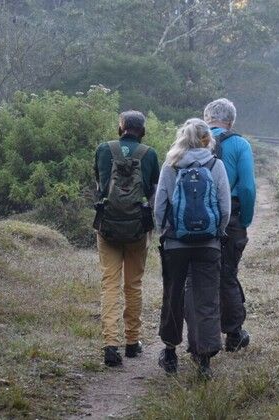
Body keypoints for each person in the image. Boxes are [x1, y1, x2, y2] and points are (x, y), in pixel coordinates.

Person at [154, 118, 231, 376]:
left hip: (176, 244)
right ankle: (204, 360)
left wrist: (164, 231)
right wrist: (218, 232)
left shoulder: (171, 166)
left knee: (173, 295)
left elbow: (160, 207)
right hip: (208, 243)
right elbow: (225, 207)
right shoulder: (215, 164)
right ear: (208, 140)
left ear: (182, 138)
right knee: (206, 298)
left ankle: (170, 353)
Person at [93, 111, 160, 367]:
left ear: (120, 128)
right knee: (133, 285)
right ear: (142, 130)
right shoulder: (150, 154)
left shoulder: (103, 149)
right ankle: (132, 342)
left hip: (107, 227)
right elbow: (153, 190)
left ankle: (110, 345)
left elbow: (99, 184)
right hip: (137, 230)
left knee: (109, 284)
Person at [202, 98, 256, 351]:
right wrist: (244, 219)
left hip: (195, 219)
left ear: (206, 119)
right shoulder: (239, 144)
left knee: (197, 277)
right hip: (231, 218)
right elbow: (246, 187)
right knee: (227, 275)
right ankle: (233, 334)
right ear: (231, 121)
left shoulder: (191, 140)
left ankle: (200, 334)